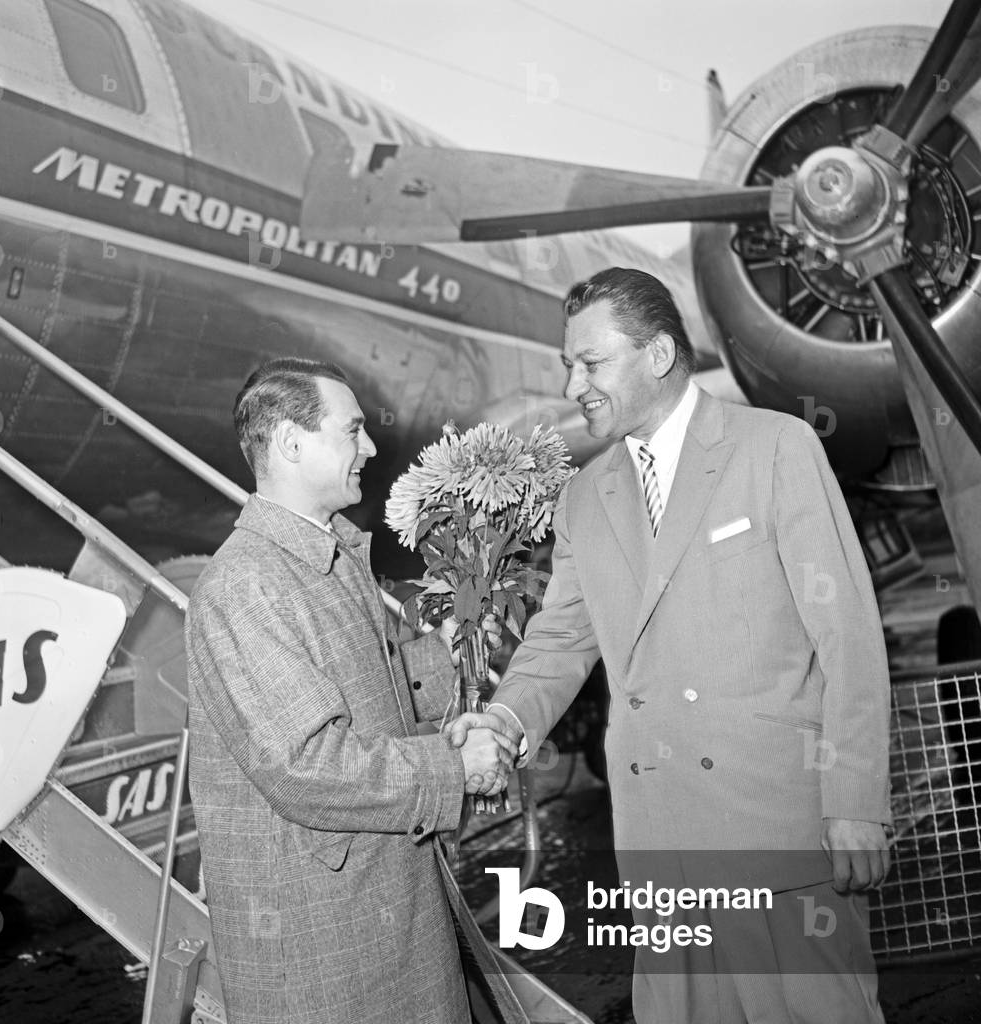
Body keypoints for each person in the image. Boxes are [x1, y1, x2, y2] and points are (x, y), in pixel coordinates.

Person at [452, 268, 893, 1023]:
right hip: (662, 849)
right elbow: (559, 639)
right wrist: (504, 720)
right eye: (567, 365)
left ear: (658, 354)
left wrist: (856, 801)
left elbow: (846, 634)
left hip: (775, 837)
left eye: (591, 363)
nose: (574, 384)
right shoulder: (585, 496)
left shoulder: (776, 448)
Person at [185, 357, 517, 1024]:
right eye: (354, 430)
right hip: (323, 947)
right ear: (290, 442)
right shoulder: (244, 584)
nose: (369, 447)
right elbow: (308, 767)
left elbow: (370, 685)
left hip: (376, 905)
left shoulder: (326, 556)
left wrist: (457, 659)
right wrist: (456, 767)